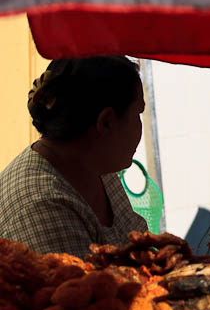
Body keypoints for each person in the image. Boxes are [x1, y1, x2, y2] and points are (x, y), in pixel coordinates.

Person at [0, 57, 148, 257]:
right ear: (106, 123)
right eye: (138, 113)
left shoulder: (93, 161)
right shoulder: (41, 206)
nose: (140, 127)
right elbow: (89, 287)